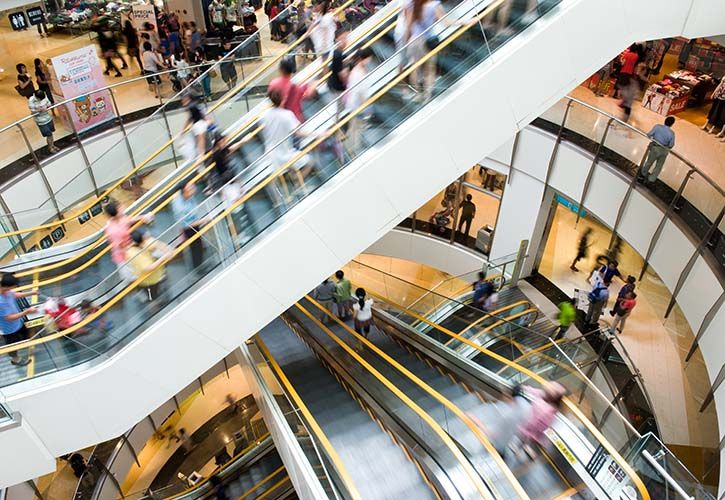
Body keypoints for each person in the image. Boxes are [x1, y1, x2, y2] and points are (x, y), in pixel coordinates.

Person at [258, 88, 314, 197]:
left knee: (277, 176)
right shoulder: (287, 115)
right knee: (309, 161)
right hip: (285, 153)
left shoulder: (264, 115)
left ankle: (282, 198)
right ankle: (297, 185)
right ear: (283, 99)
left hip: (271, 153)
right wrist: (317, 134)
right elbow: (298, 133)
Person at [405, 0, 445, 102]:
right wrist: (465, 22)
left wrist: (407, 41)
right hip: (427, 40)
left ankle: (418, 92)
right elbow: (446, 22)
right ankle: (428, 95)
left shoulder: (413, 4)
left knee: (416, 67)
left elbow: (408, 26)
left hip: (414, 41)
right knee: (430, 68)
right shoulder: (433, 4)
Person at [104, 200, 153, 282]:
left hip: (131, 250)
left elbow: (129, 220)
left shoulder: (120, 219)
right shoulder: (112, 230)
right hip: (124, 257)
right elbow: (120, 246)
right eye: (120, 207)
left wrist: (143, 217)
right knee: (132, 278)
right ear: (116, 211)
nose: (123, 208)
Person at [517, 383, 565, 459]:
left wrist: (531, 433)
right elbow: (534, 391)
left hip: (532, 429)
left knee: (524, 439)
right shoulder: (544, 397)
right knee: (524, 440)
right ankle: (523, 448)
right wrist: (524, 387)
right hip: (531, 427)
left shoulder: (549, 410)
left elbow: (541, 424)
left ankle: (524, 449)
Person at [0, 273, 39, 366]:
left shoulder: (6, 291)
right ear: (7, 286)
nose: (13, 288)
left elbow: (14, 295)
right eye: (13, 286)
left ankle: (27, 346)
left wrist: (32, 293)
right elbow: (8, 318)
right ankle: (15, 359)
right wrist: (26, 312)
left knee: (26, 334)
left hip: (19, 322)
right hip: (10, 329)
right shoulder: (1, 302)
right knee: (13, 345)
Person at [126, 229, 173, 305]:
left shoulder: (143, 243)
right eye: (144, 239)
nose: (146, 240)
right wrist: (164, 257)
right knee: (154, 299)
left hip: (159, 275)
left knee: (164, 291)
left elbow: (158, 244)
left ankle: (163, 302)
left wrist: (167, 251)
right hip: (149, 282)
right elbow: (148, 268)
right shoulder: (133, 254)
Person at [343, 47, 374, 152]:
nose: (369, 60)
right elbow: (360, 92)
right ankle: (352, 148)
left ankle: (349, 147)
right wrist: (365, 106)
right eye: (368, 58)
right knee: (356, 127)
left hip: (355, 103)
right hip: (358, 104)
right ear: (362, 58)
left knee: (354, 126)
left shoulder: (357, 69)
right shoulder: (358, 73)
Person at [172, 181, 208, 273]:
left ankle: (200, 265)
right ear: (185, 191)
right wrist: (201, 221)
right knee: (195, 247)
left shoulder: (190, 197)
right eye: (190, 188)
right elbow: (185, 224)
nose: (194, 189)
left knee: (198, 245)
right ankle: (198, 269)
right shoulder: (179, 205)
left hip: (195, 224)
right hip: (188, 228)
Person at [268, 57, 313, 122]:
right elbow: (308, 94)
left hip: (282, 119)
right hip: (296, 119)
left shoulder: (273, 84)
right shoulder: (298, 86)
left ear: (281, 69)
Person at [640, 116, 676, 184]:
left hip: (655, 148)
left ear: (665, 121)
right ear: (672, 124)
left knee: (649, 162)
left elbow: (649, 134)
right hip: (664, 151)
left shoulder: (657, 127)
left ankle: (643, 174)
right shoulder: (672, 133)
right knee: (659, 166)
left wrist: (654, 139)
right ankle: (651, 179)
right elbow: (671, 145)